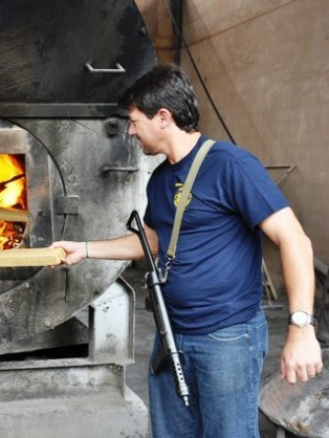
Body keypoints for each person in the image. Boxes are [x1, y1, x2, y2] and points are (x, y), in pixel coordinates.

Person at [52, 64, 323, 438]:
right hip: (171, 333)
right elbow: (152, 241)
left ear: (163, 117)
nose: (130, 131)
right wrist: (84, 249)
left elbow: (294, 239)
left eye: (134, 121)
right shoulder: (161, 179)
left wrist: (300, 327)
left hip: (226, 339)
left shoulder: (231, 165)